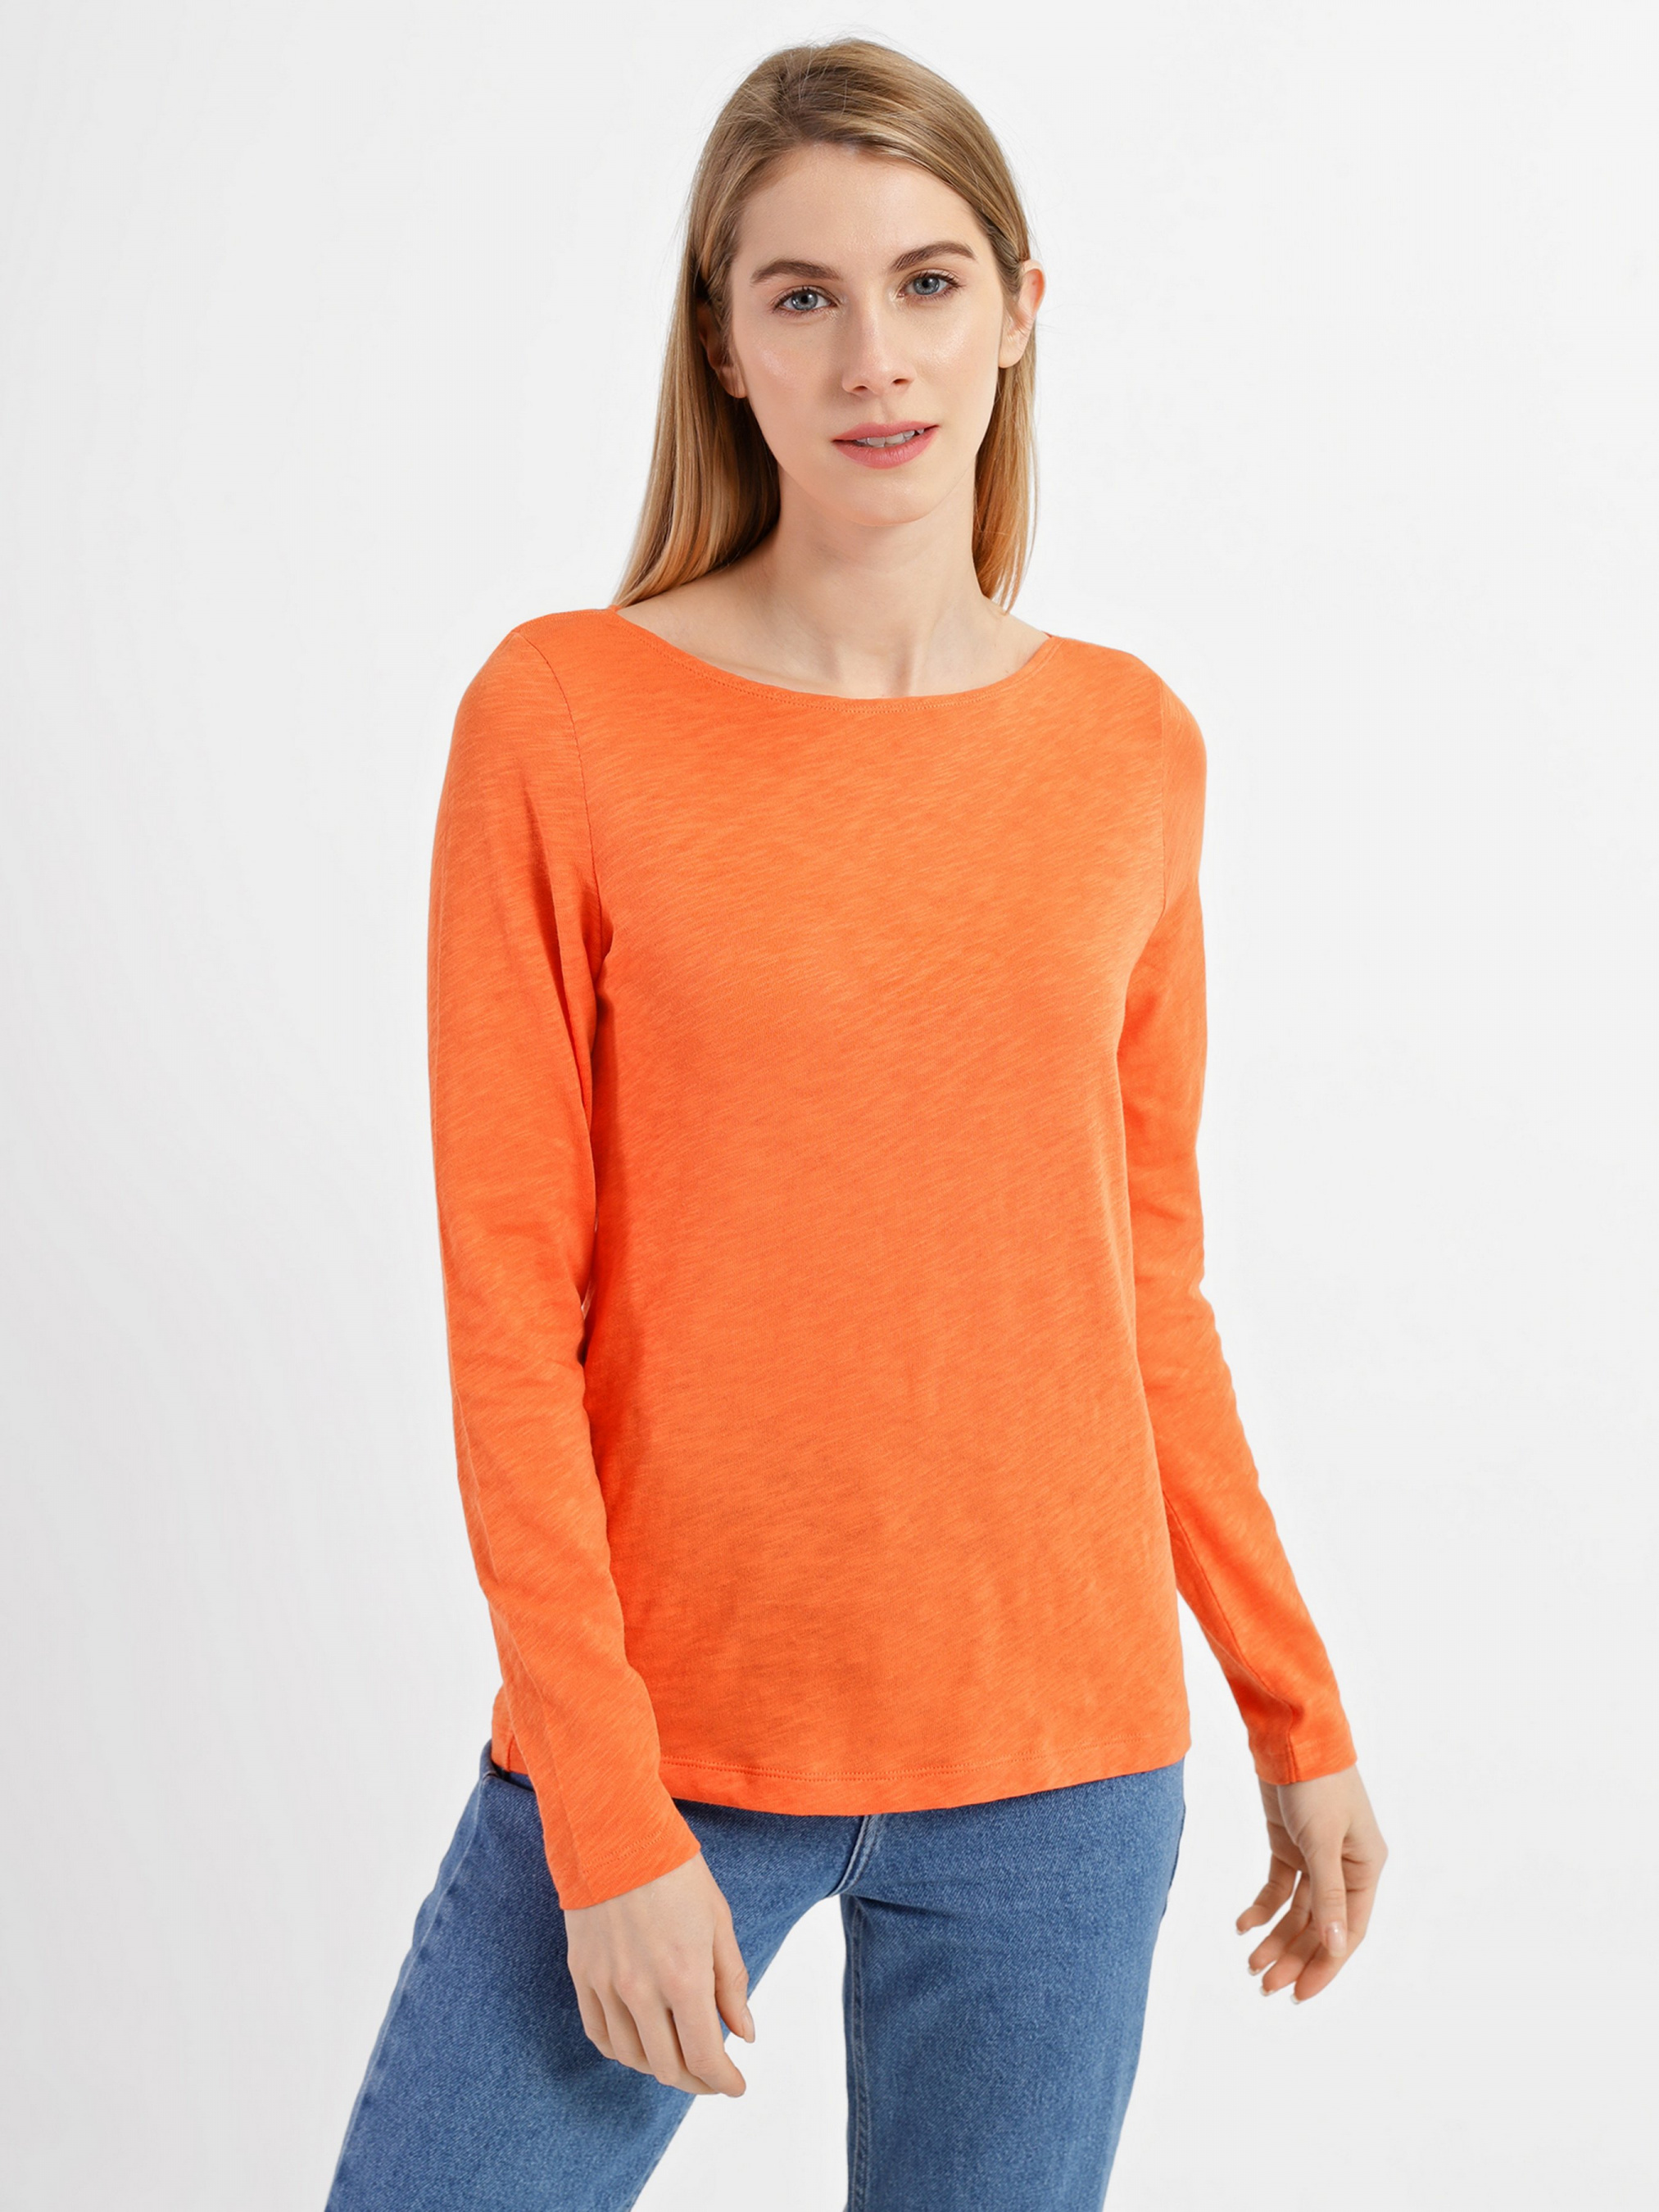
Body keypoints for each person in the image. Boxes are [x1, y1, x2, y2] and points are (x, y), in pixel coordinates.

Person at [325, 36, 1387, 2212]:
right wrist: (600, 1812)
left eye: (925, 283)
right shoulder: (563, 720)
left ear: (1018, 308)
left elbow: (1143, 1287)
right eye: (800, 295)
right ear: (722, 343)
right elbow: (511, 1308)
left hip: (1062, 1765)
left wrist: (1296, 1704)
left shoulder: (1131, 748)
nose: (872, 356)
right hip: (667, 1751)